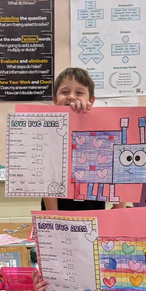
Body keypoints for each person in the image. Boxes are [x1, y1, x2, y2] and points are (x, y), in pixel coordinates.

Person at [42, 67, 107, 212]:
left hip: (93, 211)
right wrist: (54, 216)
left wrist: (119, 212)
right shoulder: (48, 133)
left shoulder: (100, 132)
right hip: (56, 210)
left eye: (79, 93)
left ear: (91, 100)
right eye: (65, 92)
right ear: (54, 100)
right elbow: (46, 176)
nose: (71, 97)